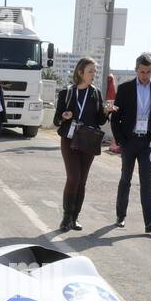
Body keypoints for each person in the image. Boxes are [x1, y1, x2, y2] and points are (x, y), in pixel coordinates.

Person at [53, 56, 111, 232]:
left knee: (82, 181)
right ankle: (66, 217)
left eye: (94, 71)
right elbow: (56, 120)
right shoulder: (67, 93)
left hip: (88, 140)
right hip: (69, 139)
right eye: (90, 71)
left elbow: (99, 121)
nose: (93, 74)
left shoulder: (95, 93)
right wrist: (63, 117)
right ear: (80, 72)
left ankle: (75, 218)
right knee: (73, 178)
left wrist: (106, 111)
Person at [110, 54, 151, 233]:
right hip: (129, 141)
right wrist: (120, 141)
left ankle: (150, 222)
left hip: (148, 142)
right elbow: (115, 118)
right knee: (126, 179)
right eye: (142, 72)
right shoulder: (125, 88)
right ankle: (121, 216)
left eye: (148, 72)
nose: (145, 76)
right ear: (136, 70)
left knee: (146, 181)